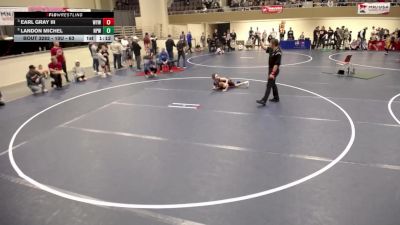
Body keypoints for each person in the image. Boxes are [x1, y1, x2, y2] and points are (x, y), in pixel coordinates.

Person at [257, 39, 282, 106]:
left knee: (269, 84)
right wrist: (259, 39)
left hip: (274, 70)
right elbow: (263, 47)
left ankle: (264, 100)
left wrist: (272, 73)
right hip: (270, 69)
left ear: (273, 44)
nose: (269, 44)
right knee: (273, 84)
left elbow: (276, 65)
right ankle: (276, 98)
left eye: (270, 43)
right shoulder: (271, 49)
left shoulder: (278, 52)